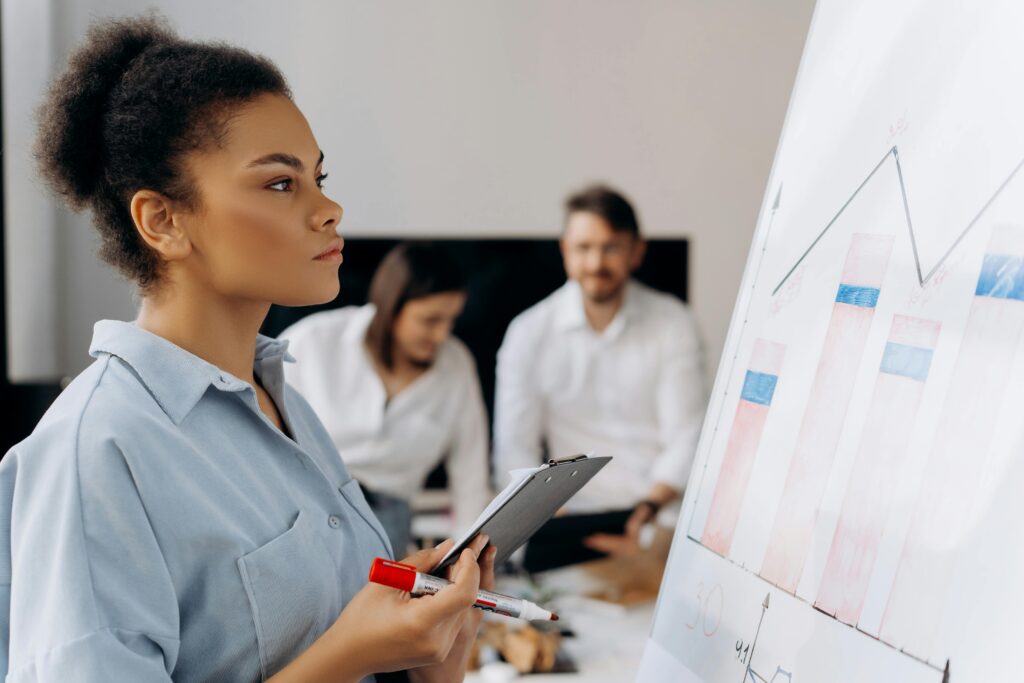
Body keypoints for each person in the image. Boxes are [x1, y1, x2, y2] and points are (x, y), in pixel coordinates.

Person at [0, 16, 494, 682]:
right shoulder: (95, 451)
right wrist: (352, 651)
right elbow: (340, 649)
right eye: (282, 183)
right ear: (163, 221)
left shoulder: (282, 399)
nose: (330, 209)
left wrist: (430, 653)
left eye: (320, 178)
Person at [493, 184, 706, 557]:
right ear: (564, 250)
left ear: (636, 251)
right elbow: (514, 447)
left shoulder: (674, 323)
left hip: (658, 521)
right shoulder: (528, 333)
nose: (596, 263)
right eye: (583, 248)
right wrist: (550, 518)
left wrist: (649, 509)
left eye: (611, 247)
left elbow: (687, 435)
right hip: (564, 521)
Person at [280, 243, 491, 555]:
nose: (442, 335)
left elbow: (471, 473)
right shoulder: (312, 342)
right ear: (392, 306)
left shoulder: (456, 365)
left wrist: (469, 556)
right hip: (310, 501)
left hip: (390, 519)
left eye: (451, 320)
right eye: (430, 320)